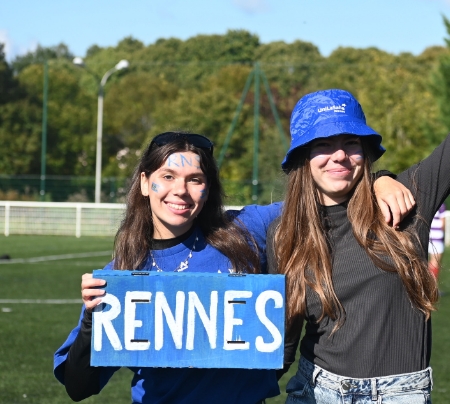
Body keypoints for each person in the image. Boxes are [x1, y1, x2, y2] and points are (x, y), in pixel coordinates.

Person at [54, 131, 412, 404]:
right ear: (146, 183)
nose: (180, 190)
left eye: (195, 180)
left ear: (208, 190)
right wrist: (91, 322)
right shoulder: (123, 274)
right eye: (167, 176)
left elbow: (325, 191)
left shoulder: (246, 229)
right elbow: (79, 388)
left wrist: (381, 178)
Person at [268, 89, 447, 403]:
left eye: (351, 142)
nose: (339, 155)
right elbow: (282, 342)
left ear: (365, 150)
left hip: (401, 394)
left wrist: (382, 178)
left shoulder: (406, 200)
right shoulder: (282, 233)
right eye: (323, 144)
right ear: (303, 157)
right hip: (315, 391)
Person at [428, 203, 446, 281]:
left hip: (430, 236)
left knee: (432, 263)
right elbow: (443, 224)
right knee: (435, 264)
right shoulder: (442, 205)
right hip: (437, 237)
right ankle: (431, 286)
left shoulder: (429, 204)